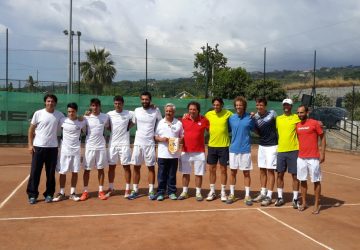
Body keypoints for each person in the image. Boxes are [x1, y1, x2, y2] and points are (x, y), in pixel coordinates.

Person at [27, 94, 65, 204]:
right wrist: (30, 145)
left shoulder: (60, 115)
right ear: (45, 102)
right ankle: (32, 195)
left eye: (52, 101)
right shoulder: (38, 113)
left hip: (52, 148)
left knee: (50, 173)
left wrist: (83, 117)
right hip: (38, 148)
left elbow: (71, 121)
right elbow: (31, 130)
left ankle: (49, 194)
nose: (50, 103)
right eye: (48, 101)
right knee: (35, 172)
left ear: (55, 103)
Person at [128, 91, 162, 200]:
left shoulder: (156, 110)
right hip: (138, 143)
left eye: (146, 99)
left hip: (150, 144)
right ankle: (135, 190)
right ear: (140, 100)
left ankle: (151, 190)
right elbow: (131, 123)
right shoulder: (136, 111)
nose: (144, 101)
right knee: (136, 167)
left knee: (151, 167)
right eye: (142, 99)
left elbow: (161, 123)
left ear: (150, 100)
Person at [53, 103, 86, 202]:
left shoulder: (82, 122)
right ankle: (62, 193)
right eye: (69, 111)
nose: (70, 113)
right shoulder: (62, 120)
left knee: (75, 172)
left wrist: (83, 116)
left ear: (76, 111)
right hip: (64, 151)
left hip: (76, 151)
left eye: (73, 111)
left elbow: (87, 123)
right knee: (62, 172)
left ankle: (72, 193)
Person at [296, 105, 326, 214]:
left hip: (313, 157)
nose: (300, 115)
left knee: (316, 181)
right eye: (298, 113)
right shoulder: (297, 125)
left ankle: (316, 205)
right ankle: (304, 203)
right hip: (301, 158)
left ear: (307, 112)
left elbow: (322, 137)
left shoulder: (314, 123)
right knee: (302, 181)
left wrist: (322, 153)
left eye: (302, 112)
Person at [178, 101, 209, 201]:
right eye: (190, 109)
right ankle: (185, 192)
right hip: (185, 151)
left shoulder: (204, 120)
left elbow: (212, 130)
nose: (192, 111)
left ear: (198, 110)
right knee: (185, 173)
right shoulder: (183, 120)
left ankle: (198, 192)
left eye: (194, 109)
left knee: (198, 173)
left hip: (199, 152)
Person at [226, 96, 255, 205]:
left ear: (244, 106)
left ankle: (247, 195)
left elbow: (255, 128)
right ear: (235, 106)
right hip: (233, 149)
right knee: (233, 172)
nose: (238, 107)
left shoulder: (250, 118)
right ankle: (232, 194)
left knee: (246, 173)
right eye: (237, 105)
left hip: (245, 150)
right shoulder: (231, 118)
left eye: (240, 105)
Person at [80, 98, 110, 201]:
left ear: (100, 106)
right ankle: (85, 191)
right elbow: (82, 129)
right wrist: (83, 116)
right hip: (90, 147)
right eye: (93, 105)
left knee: (101, 169)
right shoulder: (86, 118)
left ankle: (100, 191)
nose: (95, 107)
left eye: (97, 105)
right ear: (90, 106)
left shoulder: (105, 117)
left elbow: (108, 127)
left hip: (101, 147)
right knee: (87, 170)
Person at [205, 97, 233, 202]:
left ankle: (223, 192)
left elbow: (238, 117)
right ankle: (212, 191)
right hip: (212, 146)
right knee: (211, 169)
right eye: (214, 105)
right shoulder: (208, 114)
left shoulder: (228, 113)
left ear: (222, 105)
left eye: (218, 105)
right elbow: (201, 120)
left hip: (224, 146)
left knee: (223, 170)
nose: (216, 106)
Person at [106, 96, 134, 198]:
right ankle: (111, 187)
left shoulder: (130, 113)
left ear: (123, 104)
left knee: (126, 166)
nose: (117, 105)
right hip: (112, 144)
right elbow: (107, 126)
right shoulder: (109, 114)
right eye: (116, 103)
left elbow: (134, 121)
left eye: (119, 103)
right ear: (114, 104)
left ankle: (127, 189)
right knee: (111, 167)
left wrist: (127, 127)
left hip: (124, 144)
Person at [154, 103, 183, 201]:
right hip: (162, 154)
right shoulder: (160, 122)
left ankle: (172, 192)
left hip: (174, 154)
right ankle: (160, 192)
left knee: (172, 174)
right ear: (164, 111)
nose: (168, 113)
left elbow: (182, 137)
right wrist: (161, 139)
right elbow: (155, 136)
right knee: (161, 174)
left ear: (174, 112)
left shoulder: (178, 123)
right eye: (167, 111)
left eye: (170, 111)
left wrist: (177, 140)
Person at [275, 98, 301, 208]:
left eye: (288, 105)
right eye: (284, 105)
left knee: (295, 175)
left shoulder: (296, 118)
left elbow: (305, 123)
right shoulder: (278, 119)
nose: (286, 107)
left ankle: (295, 199)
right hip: (281, 150)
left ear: (291, 106)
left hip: (294, 151)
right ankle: (280, 197)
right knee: (279, 174)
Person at [252, 97, 278, 206]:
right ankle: (263, 192)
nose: (259, 107)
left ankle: (269, 196)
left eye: (261, 105)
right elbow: (257, 131)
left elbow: (279, 124)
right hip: (262, 146)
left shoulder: (272, 114)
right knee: (262, 169)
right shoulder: (256, 117)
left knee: (270, 171)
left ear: (265, 106)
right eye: (257, 105)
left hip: (272, 146)